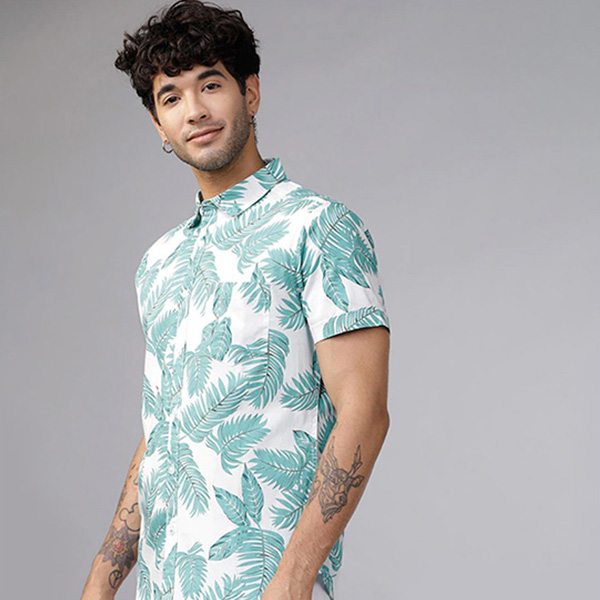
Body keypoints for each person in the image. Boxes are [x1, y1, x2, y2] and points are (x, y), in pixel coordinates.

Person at [81, 1, 391, 599]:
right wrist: (103, 576)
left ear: (250, 92)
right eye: (171, 97)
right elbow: (165, 429)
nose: (194, 110)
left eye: (210, 84)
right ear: (158, 126)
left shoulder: (319, 227)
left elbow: (364, 411)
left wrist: (293, 581)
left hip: (261, 584)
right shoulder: (159, 263)